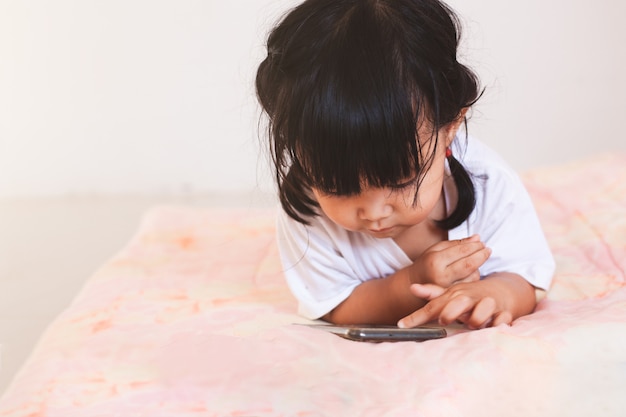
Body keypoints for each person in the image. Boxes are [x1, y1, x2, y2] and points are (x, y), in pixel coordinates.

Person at [255, 0, 554, 330]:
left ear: (450, 128)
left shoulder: (489, 181)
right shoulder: (307, 207)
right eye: (336, 186)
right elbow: (335, 305)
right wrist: (413, 281)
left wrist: (494, 293)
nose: (374, 212)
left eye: (399, 178)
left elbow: (525, 275)